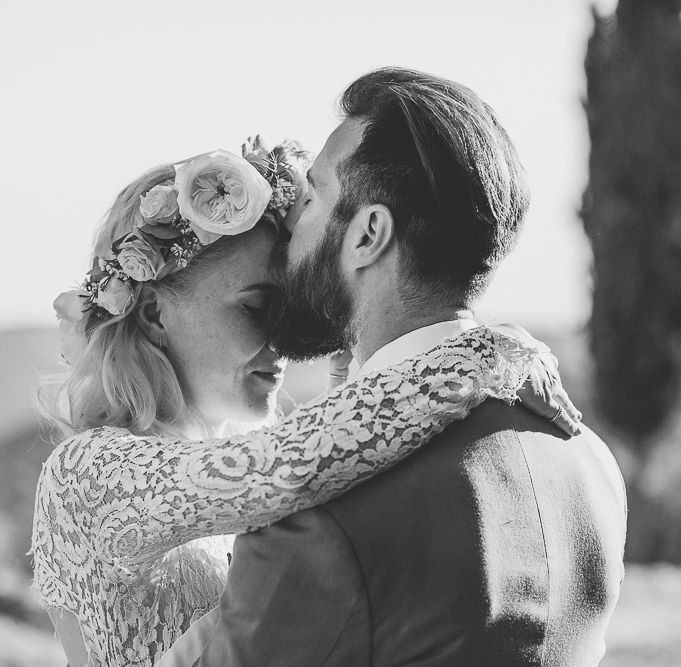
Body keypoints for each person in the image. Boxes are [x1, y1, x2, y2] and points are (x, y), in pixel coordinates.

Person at [31, 139, 578, 667]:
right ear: (152, 312)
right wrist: (485, 355)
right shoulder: (85, 472)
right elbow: (292, 471)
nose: (283, 341)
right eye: (257, 306)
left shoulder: (242, 452)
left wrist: (355, 379)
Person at [160, 69, 627, 666]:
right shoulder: (586, 457)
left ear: (368, 235)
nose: (291, 229)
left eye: (313, 196)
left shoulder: (317, 507)